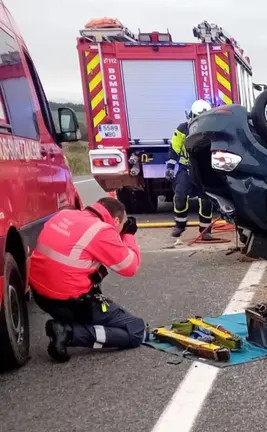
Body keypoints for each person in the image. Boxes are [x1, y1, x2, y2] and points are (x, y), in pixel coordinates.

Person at [28, 197, 145, 363]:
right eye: (122, 224)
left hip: (41, 296)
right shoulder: (101, 230)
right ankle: (69, 333)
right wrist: (128, 235)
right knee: (135, 330)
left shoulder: (64, 215)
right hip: (72, 304)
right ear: (116, 220)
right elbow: (130, 267)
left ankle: (69, 326)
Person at [165, 99, 215, 239]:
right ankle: (180, 225)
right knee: (180, 196)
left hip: (205, 169)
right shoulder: (183, 129)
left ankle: (205, 230)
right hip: (185, 168)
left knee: (206, 199)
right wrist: (170, 166)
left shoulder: (212, 129)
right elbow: (174, 148)